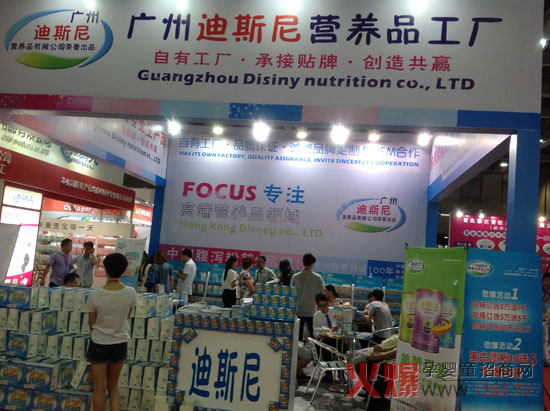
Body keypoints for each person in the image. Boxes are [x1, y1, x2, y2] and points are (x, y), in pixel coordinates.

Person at [86, 253, 137, 411]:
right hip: (120, 342)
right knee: (113, 386)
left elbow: (91, 323)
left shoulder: (95, 294)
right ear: (124, 270)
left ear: (106, 270)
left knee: (99, 388)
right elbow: (126, 317)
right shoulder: (131, 292)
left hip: (99, 342)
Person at [291, 252, 325, 341]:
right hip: (312, 310)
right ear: (313, 263)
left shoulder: (295, 277)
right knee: (313, 335)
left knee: (298, 336)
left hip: (299, 309)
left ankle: (299, 349)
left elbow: (292, 294)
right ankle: (314, 350)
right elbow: (322, 293)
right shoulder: (318, 277)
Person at [543, 273, 550, 366]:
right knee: (544, 339)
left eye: (549, 280)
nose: (547, 282)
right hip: (543, 318)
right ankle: (546, 359)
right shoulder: (538, 291)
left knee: (548, 340)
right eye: (546, 279)